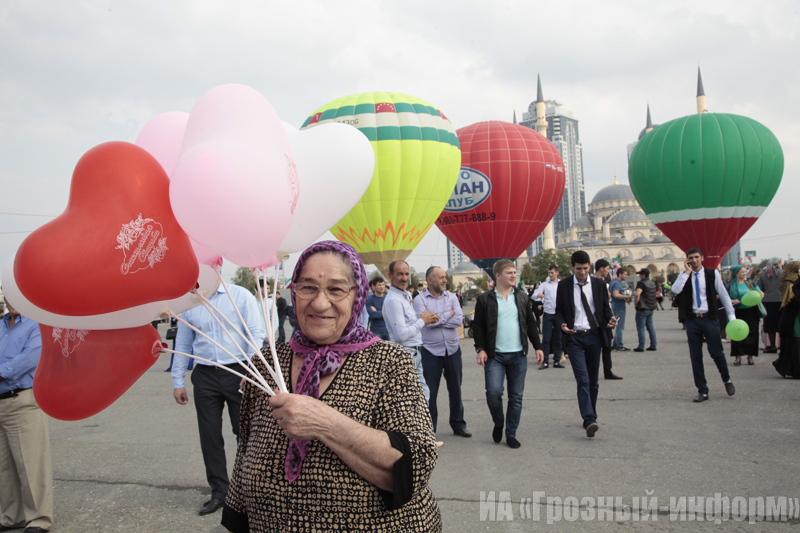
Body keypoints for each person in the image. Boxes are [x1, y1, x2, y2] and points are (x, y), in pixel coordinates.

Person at [221, 241, 441, 532]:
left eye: (336, 289)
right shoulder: (267, 364)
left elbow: (416, 464)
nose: (320, 303)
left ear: (357, 295)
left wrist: (323, 422)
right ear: (294, 292)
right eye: (308, 287)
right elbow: (245, 450)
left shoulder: (390, 362)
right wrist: (236, 517)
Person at [171, 280, 266, 516]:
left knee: (245, 433)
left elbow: (256, 333)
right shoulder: (189, 301)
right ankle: (219, 492)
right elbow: (183, 342)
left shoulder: (240, 296)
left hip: (239, 371)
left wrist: (252, 370)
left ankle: (248, 490)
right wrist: (178, 380)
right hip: (205, 374)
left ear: (218, 267)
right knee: (210, 434)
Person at [473, 260, 544, 449]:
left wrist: (538, 346)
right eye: (509, 273)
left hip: (518, 355)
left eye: (514, 272)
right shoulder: (485, 299)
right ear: (497, 275)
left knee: (516, 396)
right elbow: (478, 326)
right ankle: (498, 421)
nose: (514, 275)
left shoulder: (520, 297)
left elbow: (530, 323)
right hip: (494, 356)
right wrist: (480, 348)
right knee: (494, 393)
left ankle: (511, 433)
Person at [0, 300, 52, 533]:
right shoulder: (1, 325)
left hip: (22, 401)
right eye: (9, 296)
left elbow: (24, 362)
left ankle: (39, 519)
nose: (13, 302)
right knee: (4, 468)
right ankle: (12, 516)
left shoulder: (37, 326)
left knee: (30, 465)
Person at [554, 251, 617, 438]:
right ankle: (589, 419)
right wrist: (562, 324)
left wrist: (611, 318)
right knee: (582, 379)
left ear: (590, 267)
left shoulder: (598, 284)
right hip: (573, 337)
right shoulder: (564, 285)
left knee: (593, 381)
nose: (582, 272)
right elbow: (558, 311)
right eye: (579, 269)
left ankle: (592, 414)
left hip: (593, 336)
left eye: (586, 269)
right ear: (572, 267)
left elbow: (605, 308)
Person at [671, 248, 736, 402]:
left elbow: (724, 295)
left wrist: (731, 315)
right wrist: (686, 273)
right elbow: (675, 290)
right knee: (696, 356)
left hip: (709, 318)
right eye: (690, 258)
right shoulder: (684, 276)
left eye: (696, 257)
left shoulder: (712, 274)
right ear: (687, 260)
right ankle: (703, 390)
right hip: (692, 320)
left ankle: (726, 380)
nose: (694, 260)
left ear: (702, 258)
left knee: (716, 353)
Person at [413, 266, 469, 439]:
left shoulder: (452, 297)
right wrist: (448, 314)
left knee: (456, 389)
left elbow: (459, 320)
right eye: (441, 277)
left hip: (452, 349)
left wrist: (438, 317)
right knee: (430, 392)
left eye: (445, 277)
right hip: (430, 351)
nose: (445, 280)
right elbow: (425, 322)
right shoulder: (419, 300)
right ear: (430, 280)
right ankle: (430, 430)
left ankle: (458, 424)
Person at [383, 260, 436, 402]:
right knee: (414, 400)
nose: (404, 278)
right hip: (406, 353)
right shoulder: (394, 300)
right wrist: (422, 321)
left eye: (406, 274)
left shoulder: (405, 296)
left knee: (422, 397)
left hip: (415, 352)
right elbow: (401, 335)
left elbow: (409, 325)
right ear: (390, 276)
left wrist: (426, 319)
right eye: (399, 274)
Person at [728, 265, 764, 366]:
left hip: (751, 312)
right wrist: (733, 300)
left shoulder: (750, 283)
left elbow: (760, 292)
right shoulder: (731, 285)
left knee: (752, 334)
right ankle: (737, 356)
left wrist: (760, 293)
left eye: (745, 272)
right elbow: (724, 298)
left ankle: (750, 356)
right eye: (742, 272)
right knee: (737, 334)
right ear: (736, 273)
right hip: (738, 312)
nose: (744, 274)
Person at [594, 260, 622, 380]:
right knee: (594, 348)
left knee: (607, 345)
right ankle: (593, 372)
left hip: (605, 317)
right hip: (595, 319)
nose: (608, 271)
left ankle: (608, 371)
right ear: (601, 269)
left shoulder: (604, 282)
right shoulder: (593, 282)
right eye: (607, 269)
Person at [533, 265, 564, 370]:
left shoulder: (562, 284)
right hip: (548, 313)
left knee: (558, 338)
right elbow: (533, 295)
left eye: (552, 273)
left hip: (559, 314)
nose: (550, 275)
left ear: (557, 273)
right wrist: (538, 295)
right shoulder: (544, 285)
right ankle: (545, 361)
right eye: (549, 273)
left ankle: (557, 360)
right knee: (546, 338)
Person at [774, 263, 800, 378]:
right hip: (793, 317)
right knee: (795, 344)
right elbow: (795, 301)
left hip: (793, 316)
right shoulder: (790, 284)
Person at [760, 258, 784, 353]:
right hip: (781, 301)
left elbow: (760, 288)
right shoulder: (783, 273)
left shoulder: (763, 274)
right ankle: (783, 346)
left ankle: (772, 346)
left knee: (770, 326)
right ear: (778, 263)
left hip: (767, 302)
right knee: (782, 324)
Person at [633, 268, 658, 352]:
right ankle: (653, 345)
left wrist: (636, 304)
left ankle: (641, 346)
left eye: (640, 274)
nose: (639, 276)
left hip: (643, 308)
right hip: (651, 308)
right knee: (650, 327)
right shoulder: (652, 283)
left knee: (641, 328)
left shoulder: (641, 284)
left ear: (643, 275)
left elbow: (637, 294)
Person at [609, 268, 631, 351]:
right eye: (625, 274)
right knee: (620, 326)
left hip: (614, 305)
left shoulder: (612, 282)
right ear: (620, 274)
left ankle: (615, 344)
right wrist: (626, 296)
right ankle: (620, 345)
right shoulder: (617, 284)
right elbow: (616, 294)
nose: (626, 276)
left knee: (617, 325)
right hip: (619, 306)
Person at [366, 277, 390, 341]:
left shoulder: (388, 298)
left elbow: (392, 313)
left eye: (383, 284)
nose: (381, 287)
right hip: (376, 331)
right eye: (379, 285)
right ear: (373, 286)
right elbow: (373, 315)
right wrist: (386, 312)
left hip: (388, 330)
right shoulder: (370, 300)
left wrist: (378, 312)